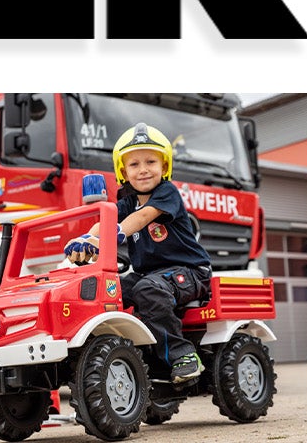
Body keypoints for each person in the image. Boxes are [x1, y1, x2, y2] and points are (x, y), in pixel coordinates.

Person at [67, 124, 210, 382]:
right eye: (134, 164)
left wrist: (117, 232)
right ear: (123, 172)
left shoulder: (167, 193)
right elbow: (105, 219)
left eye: (151, 161)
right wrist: (87, 238)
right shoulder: (127, 202)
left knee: (148, 290)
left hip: (189, 271)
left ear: (164, 167)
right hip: (150, 275)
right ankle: (126, 355)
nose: (143, 169)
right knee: (105, 288)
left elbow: (144, 216)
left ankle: (183, 355)